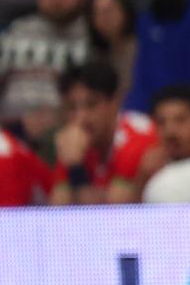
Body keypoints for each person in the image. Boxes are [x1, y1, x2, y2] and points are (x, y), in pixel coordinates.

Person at [0, 0, 90, 134]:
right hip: (9, 128)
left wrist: (61, 117)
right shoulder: (17, 32)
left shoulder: (91, 37)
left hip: (65, 130)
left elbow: (94, 99)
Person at [52, 58, 156, 206]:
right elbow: (57, 208)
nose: (80, 118)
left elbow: (111, 215)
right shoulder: (74, 142)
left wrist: (76, 169)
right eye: (72, 107)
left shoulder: (136, 138)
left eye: (91, 105)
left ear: (114, 103)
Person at [141, 82, 190, 204]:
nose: (170, 131)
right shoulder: (145, 169)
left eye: (180, 120)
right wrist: (141, 180)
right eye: (161, 122)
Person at [87, 0, 138, 105]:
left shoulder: (141, 49)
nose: (104, 18)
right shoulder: (94, 55)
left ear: (124, 10)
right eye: (98, 12)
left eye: (109, 10)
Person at [0, 124, 55, 208]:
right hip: (16, 210)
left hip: (16, 210)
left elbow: (46, 180)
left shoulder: (11, 144)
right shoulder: (10, 142)